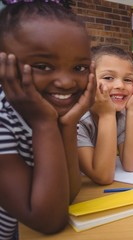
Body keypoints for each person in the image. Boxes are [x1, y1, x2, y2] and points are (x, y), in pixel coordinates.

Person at [0, 1, 95, 237]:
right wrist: (44, 124)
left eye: (80, 68)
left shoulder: (51, 111)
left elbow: (67, 196)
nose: (66, 82)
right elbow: (50, 221)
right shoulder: (7, 121)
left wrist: (67, 124)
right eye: (42, 66)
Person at [77, 45, 133, 185]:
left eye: (128, 80)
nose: (120, 85)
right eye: (108, 77)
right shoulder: (77, 119)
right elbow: (103, 177)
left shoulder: (121, 114)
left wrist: (132, 110)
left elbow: (132, 164)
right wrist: (107, 115)